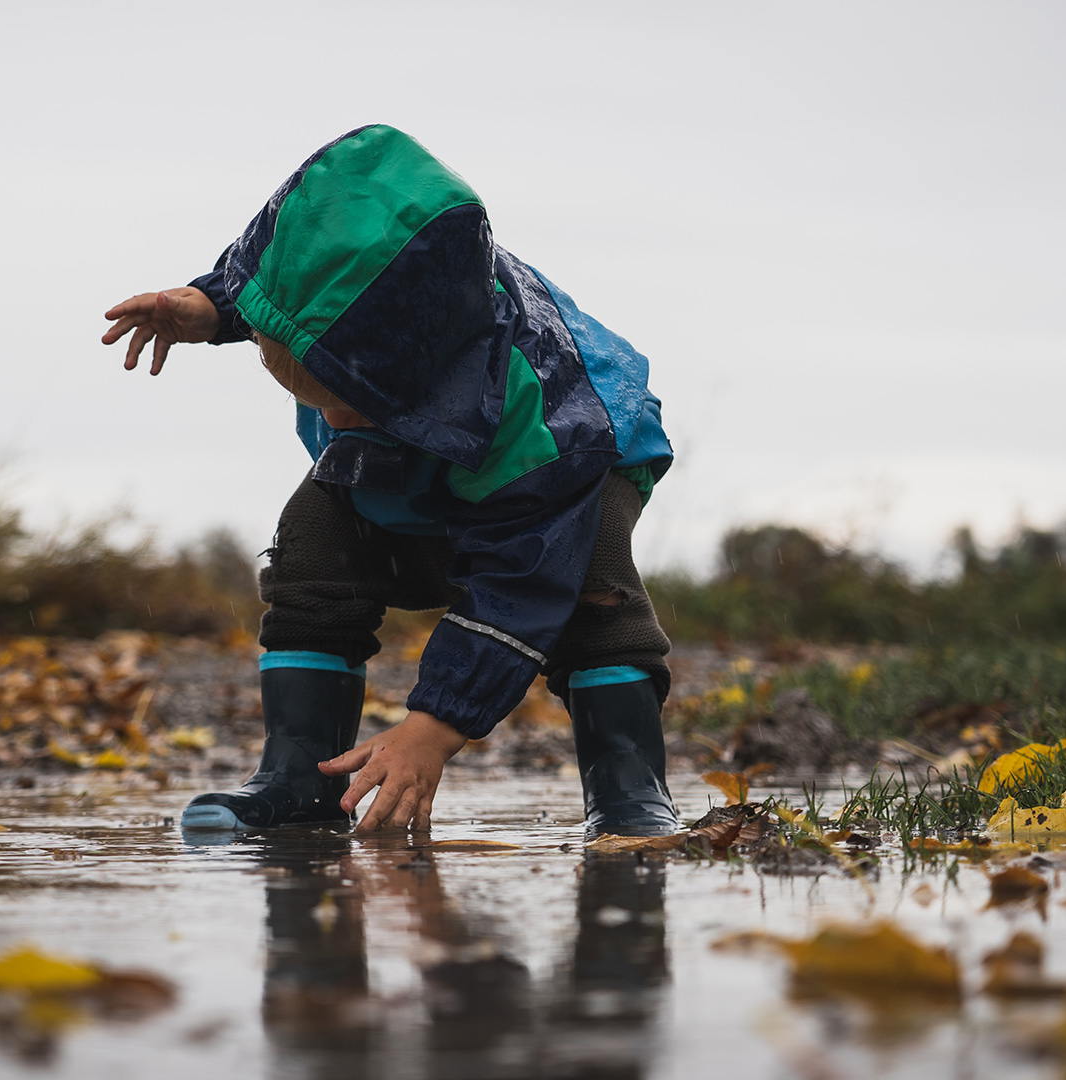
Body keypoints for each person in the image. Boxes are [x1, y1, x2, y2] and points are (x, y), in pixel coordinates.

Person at [100, 125, 678, 837]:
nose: (334, 421)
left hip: (581, 458)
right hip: (416, 442)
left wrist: (431, 731)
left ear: (412, 364)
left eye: (351, 397)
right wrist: (214, 306)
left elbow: (519, 584)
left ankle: (628, 790)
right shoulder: (338, 307)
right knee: (313, 538)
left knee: (590, 585)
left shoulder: (543, 433)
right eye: (309, 390)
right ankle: (298, 777)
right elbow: (294, 274)